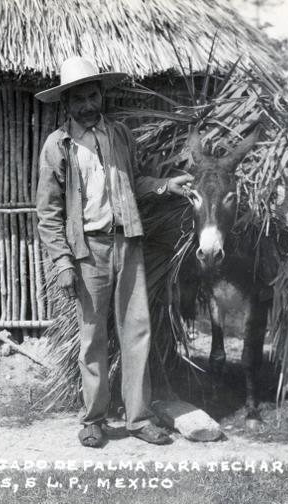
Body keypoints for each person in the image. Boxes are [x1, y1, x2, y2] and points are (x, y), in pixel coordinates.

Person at [35, 56, 193, 448]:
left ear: (101, 94)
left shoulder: (120, 135)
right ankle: (94, 420)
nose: (88, 105)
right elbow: (48, 211)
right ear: (66, 103)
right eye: (79, 99)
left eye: (93, 95)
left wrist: (164, 185)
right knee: (92, 337)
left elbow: (132, 182)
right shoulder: (58, 146)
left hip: (128, 243)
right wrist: (62, 262)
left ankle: (138, 420)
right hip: (89, 250)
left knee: (136, 332)